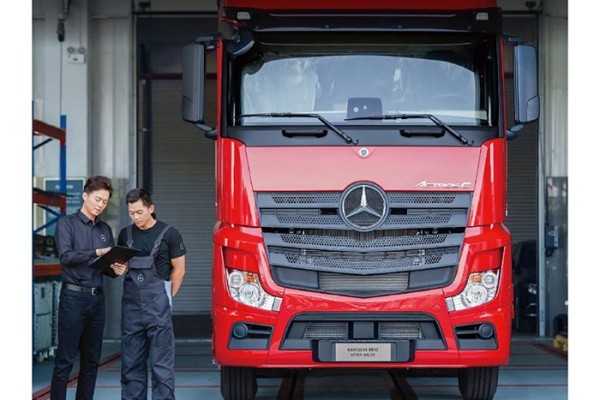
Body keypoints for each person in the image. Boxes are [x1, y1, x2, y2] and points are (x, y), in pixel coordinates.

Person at [50, 175, 127, 400]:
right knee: (65, 359)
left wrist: (116, 270)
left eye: (105, 201)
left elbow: (105, 267)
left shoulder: (105, 229)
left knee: (91, 360)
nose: (100, 205)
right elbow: (66, 257)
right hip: (73, 298)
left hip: (97, 300)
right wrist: (97, 252)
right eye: (97, 199)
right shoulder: (67, 224)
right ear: (85, 195)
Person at [118, 188, 186, 400]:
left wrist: (167, 297)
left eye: (139, 212)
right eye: (131, 213)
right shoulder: (125, 235)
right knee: (131, 364)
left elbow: (179, 270)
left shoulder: (170, 234)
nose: (135, 217)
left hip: (158, 308)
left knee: (161, 365)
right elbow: (122, 267)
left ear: (151, 208)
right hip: (131, 310)